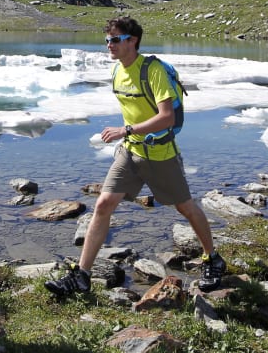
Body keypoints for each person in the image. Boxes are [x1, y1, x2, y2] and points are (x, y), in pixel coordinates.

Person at [46, 16, 226, 297]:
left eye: (115, 40)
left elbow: (166, 118)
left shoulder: (152, 71)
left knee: (186, 207)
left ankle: (212, 258)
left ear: (133, 40)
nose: (109, 45)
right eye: (107, 40)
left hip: (160, 154)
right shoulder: (118, 71)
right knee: (104, 204)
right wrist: (127, 135)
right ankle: (82, 275)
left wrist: (125, 129)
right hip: (130, 150)